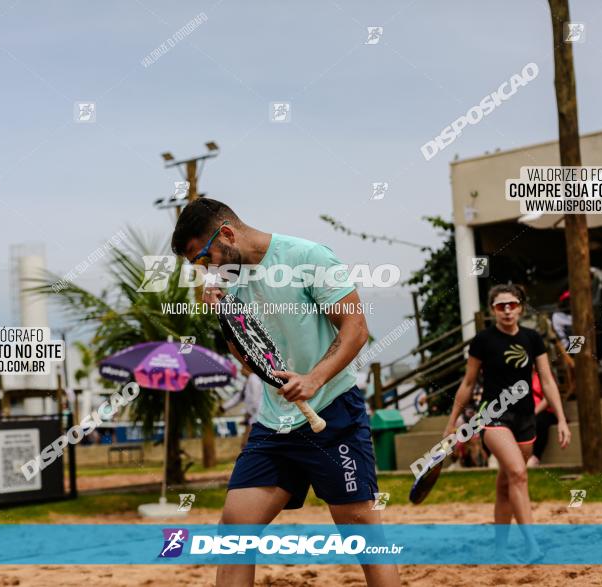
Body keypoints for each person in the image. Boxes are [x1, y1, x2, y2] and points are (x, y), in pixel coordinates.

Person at [171, 198, 400, 587]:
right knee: (233, 534)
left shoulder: (307, 256)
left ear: (226, 233)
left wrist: (314, 378)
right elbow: (249, 360)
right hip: (275, 424)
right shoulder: (232, 282)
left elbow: (355, 329)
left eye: (203, 257)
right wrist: (225, 315)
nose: (206, 269)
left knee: (363, 535)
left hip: (333, 412)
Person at [432, 284, 571, 561]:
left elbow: (547, 380)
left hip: (526, 418)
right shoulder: (483, 341)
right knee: (519, 473)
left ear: (520, 307)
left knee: (507, 483)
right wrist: (451, 424)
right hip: (493, 416)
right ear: (492, 310)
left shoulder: (533, 338)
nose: (507, 310)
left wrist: (562, 419)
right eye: (500, 305)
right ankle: (532, 546)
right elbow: (468, 383)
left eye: (512, 304)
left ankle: (499, 550)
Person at [219, 364, 263, 448]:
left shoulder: (253, 379)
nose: (240, 370)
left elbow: (255, 399)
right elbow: (238, 397)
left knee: (247, 444)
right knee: (246, 444)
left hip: (256, 416)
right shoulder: (249, 381)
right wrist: (224, 407)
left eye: (242, 367)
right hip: (253, 417)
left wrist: (249, 414)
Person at [527, 368, 556, 468]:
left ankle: (535, 456)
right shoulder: (519, 378)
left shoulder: (544, 375)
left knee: (539, 421)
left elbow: (547, 399)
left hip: (545, 411)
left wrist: (533, 412)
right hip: (527, 412)